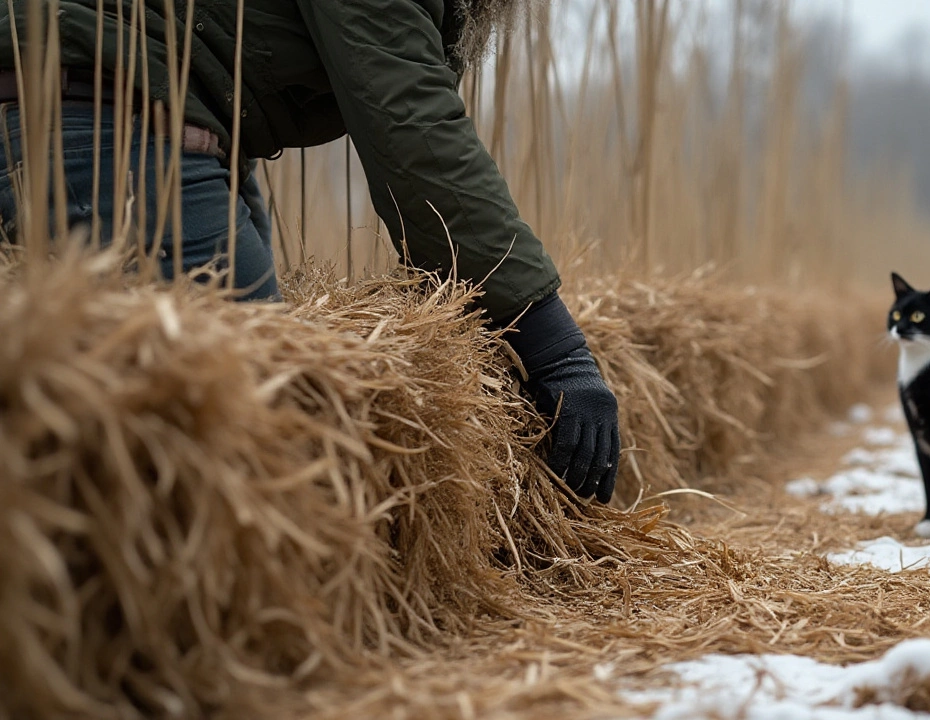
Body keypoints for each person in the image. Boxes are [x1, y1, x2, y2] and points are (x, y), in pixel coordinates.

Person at [0, 0, 621, 503]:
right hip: (100, 121)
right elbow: (410, 123)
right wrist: (556, 350)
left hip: (113, 113)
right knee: (265, 439)